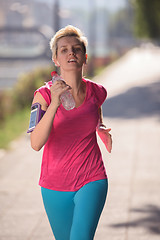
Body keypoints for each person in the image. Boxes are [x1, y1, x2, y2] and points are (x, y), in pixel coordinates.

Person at [29, 25, 112, 240]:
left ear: (85, 57)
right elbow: (36, 143)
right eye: (64, 50)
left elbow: (95, 107)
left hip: (92, 177)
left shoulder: (97, 91)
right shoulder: (43, 96)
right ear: (56, 59)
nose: (71, 53)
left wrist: (99, 126)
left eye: (76, 48)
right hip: (54, 185)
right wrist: (55, 102)